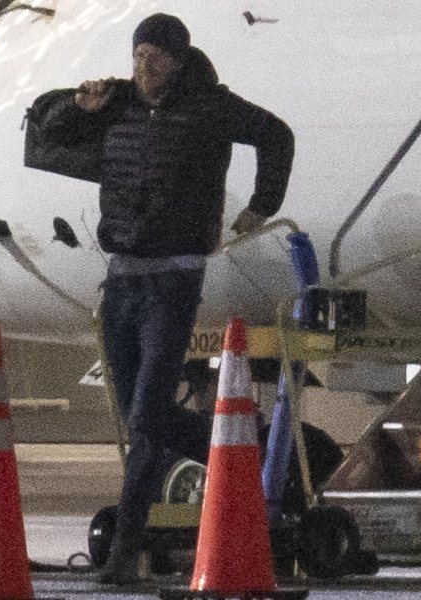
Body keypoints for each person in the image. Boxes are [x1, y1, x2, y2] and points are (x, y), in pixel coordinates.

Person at [45, 13, 294, 583]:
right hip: (122, 276)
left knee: (146, 416)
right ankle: (240, 453)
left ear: (178, 61)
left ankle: (126, 549)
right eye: (138, 56)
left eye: (155, 57)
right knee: (142, 414)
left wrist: (262, 205)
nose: (144, 67)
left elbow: (276, 136)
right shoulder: (116, 102)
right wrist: (76, 107)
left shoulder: (210, 106)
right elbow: (51, 134)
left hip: (174, 278)